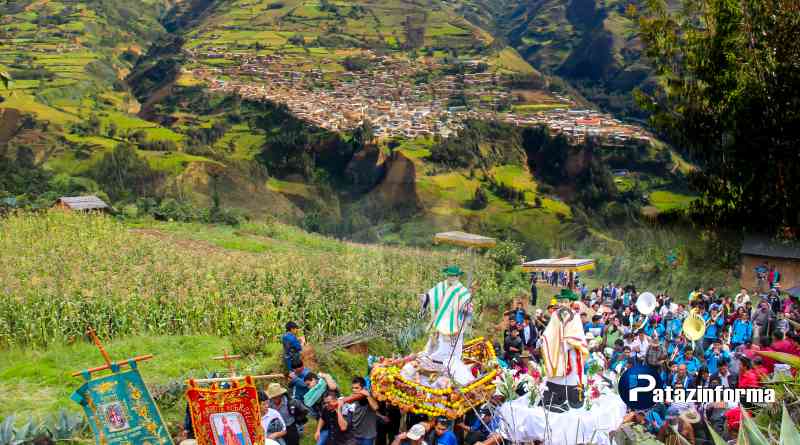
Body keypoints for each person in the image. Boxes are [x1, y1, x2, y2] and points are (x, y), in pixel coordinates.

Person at [343, 377, 379, 445]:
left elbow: (375, 407)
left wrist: (368, 395)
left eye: (357, 388)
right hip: (355, 434)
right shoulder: (353, 398)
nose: (354, 390)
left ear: (363, 388)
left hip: (367, 436)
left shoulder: (369, 397)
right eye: (353, 388)